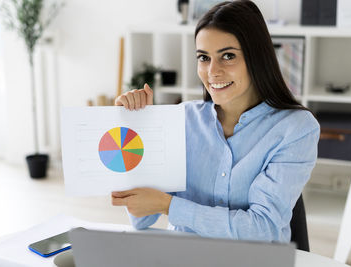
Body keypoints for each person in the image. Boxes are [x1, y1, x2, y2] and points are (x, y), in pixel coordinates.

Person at [112, 0, 320, 243]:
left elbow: (263, 228)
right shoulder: (183, 119)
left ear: (257, 57)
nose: (212, 72)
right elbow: (141, 219)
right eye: (203, 57)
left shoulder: (295, 128)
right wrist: (136, 131)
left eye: (228, 56)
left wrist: (169, 206)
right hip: (183, 257)